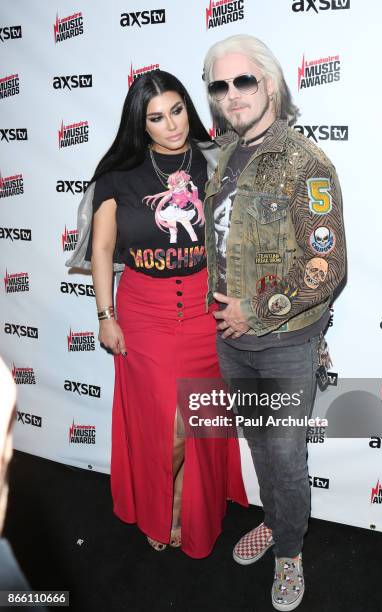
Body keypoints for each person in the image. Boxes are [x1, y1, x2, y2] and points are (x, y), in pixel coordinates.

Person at [66, 70, 247, 558]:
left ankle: (190, 510)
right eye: (156, 117)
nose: (171, 125)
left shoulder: (218, 161)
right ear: (140, 124)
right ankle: (162, 506)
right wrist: (105, 315)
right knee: (166, 427)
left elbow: (244, 238)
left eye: (178, 110)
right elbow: (102, 250)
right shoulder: (118, 175)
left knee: (197, 423)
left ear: (189, 107)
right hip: (144, 312)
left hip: (206, 311)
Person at [202, 35, 346, 609]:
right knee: (261, 446)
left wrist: (254, 310)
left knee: (285, 456)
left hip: (285, 342)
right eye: (219, 85)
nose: (232, 95)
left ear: (270, 84)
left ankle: (289, 553)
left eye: (244, 81)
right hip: (232, 341)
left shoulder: (305, 162)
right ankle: (274, 520)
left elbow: (327, 265)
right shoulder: (225, 156)